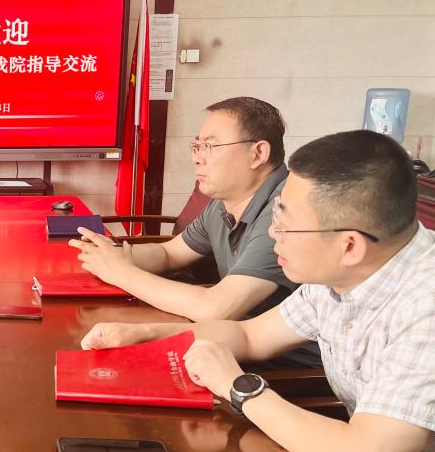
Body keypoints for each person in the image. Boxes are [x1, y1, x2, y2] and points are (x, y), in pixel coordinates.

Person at [83, 131, 435, 452]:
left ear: (350, 246)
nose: (272, 235)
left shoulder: (423, 307)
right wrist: (146, 335)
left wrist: (239, 387)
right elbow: (249, 335)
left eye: (287, 225)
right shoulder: (339, 273)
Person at [70, 96, 299, 324]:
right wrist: (112, 255)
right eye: (197, 147)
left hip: (274, 347)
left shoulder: (287, 210)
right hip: (236, 336)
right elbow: (169, 254)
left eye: (210, 146)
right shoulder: (224, 202)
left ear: (258, 154)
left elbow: (217, 308)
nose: (197, 159)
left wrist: (121, 272)